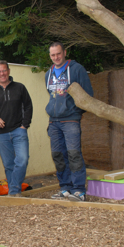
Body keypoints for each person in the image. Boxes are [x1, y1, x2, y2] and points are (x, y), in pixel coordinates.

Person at [45, 42, 93, 202]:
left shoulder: (77, 69)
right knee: (58, 155)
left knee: (74, 154)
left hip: (71, 120)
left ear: (64, 52)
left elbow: (87, 96)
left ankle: (79, 190)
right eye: (53, 55)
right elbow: (52, 96)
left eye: (58, 53)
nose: (56, 57)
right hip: (54, 122)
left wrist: (75, 113)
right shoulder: (48, 74)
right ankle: (65, 188)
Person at [0, 60, 33, 197]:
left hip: (19, 130)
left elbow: (28, 106)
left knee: (22, 160)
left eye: (4, 70)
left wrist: (24, 125)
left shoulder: (20, 87)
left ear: (9, 71)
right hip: (2, 134)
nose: (2, 73)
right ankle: (15, 193)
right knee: (9, 165)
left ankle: (13, 189)